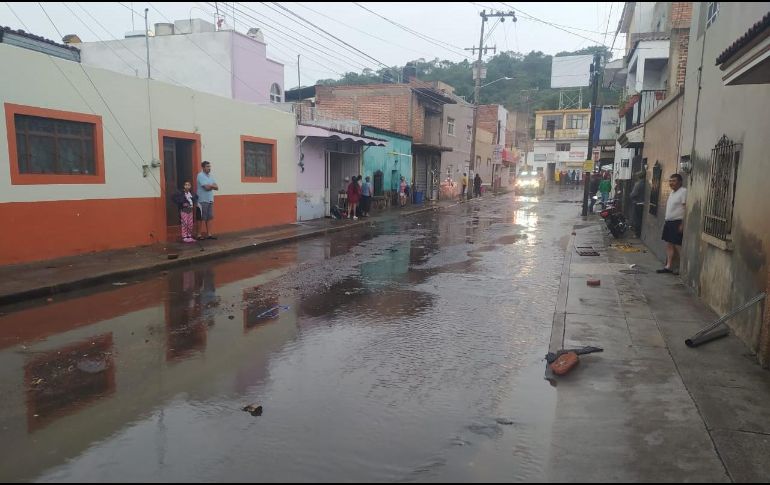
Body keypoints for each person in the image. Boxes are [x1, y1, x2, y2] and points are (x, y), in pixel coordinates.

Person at [657, 173, 687, 274]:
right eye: (670, 181)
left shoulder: (683, 192)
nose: (671, 183)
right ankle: (668, 266)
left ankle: (682, 268)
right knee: (669, 244)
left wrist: (682, 224)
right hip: (669, 221)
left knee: (678, 245)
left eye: (674, 181)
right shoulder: (672, 192)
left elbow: (685, 208)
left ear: (680, 182)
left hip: (677, 222)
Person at [196, 160, 219, 240]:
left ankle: (209, 234)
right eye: (207, 166)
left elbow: (217, 187)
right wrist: (212, 186)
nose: (209, 168)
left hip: (210, 199)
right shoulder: (200, 175)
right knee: (201, 218)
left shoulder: (211, 176)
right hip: (202, 200)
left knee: (209, 217)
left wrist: (211, 186)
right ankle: (198, 235)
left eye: (210, 166)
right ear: (203, 167)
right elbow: (206, 188)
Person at [630, 171, 645, 237]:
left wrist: (630, 195)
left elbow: (633, 194)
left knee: (637, 219)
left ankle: (637, 233)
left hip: (638, 203)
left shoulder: (638, 184)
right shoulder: (647, 183)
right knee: (641, 219)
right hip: (644, 204)